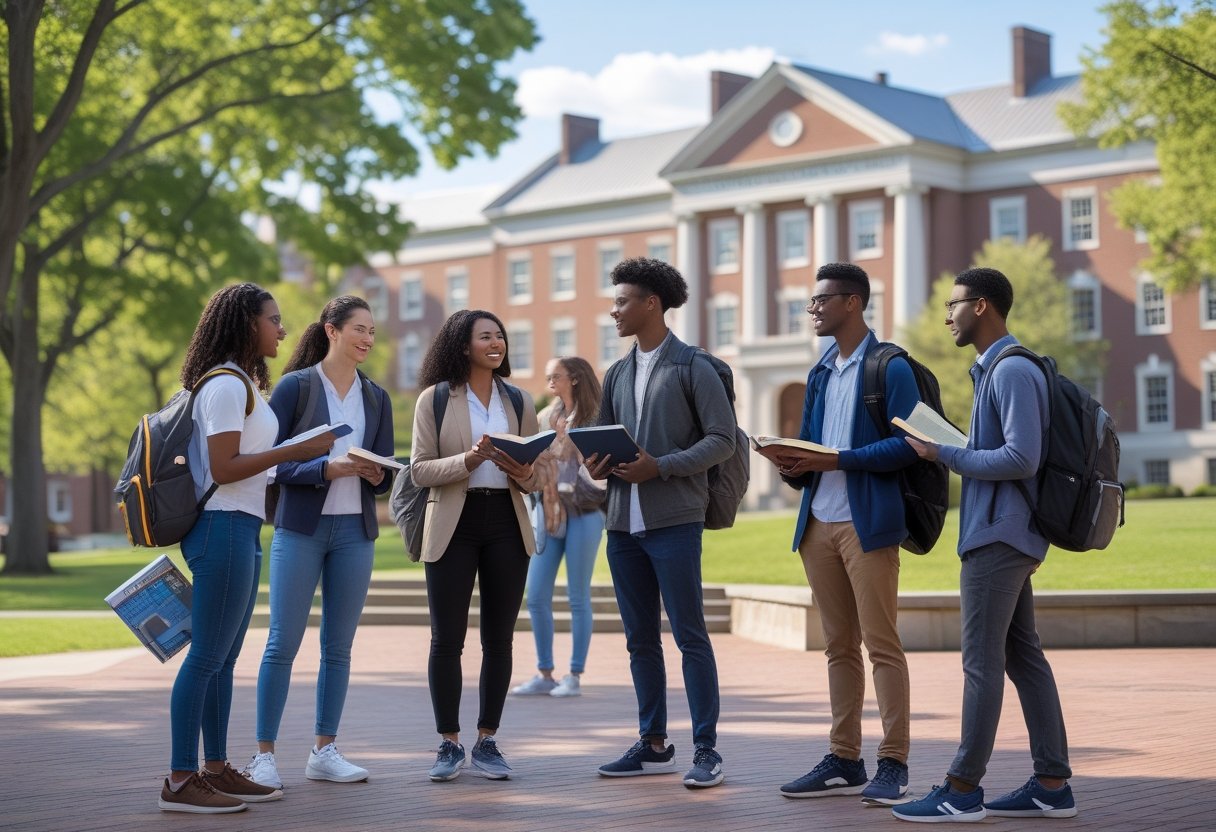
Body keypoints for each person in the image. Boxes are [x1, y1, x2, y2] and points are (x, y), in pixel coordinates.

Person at [894, 267, 1076, 823]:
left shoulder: (1012, 370)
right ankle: (1051, 784)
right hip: (1004, 532)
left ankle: (962, 788)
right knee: (1023, 657)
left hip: (1000, 535)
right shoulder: (995, 370)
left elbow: (1022, 457)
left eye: (955, 305)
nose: (947, 315)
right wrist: (957, 445)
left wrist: (941, 454)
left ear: (984, 307)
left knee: (980, 663)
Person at [159, 283, 337, 814]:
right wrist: (296, 448)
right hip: (221, 527)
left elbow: (249, 463)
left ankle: (214, 768)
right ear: (245, 324)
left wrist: (306, 457)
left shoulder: (244, 384)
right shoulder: (224, 386)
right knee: (207, 658)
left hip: (243, 524)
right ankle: (179, 779)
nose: (282, 329)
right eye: (273, 319)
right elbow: (224, 467)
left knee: (224, 658)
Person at [756, 262, 920, 804]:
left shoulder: (890, 366)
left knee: (882, 645)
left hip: (867, 526)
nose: (813, 310)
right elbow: (810, 443)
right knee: (837, 648)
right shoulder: (821, 372)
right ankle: (844, 757)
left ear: (852, 302)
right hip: (817, 526)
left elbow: (911, 444)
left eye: (821, 300)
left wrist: (838, 460)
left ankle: (893, 761)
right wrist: (790, 461)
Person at [586, 257, 735, 790]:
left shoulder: (694, 366)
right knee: (639, 640)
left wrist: (662, 466)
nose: (614, 310)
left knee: (690, 635)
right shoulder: (617, 372)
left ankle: (706, 749)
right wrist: (597, 461)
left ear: (652, 304)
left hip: (675, 521)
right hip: (622, 524)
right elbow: (606, 434)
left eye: (623, 301)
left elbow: (723, 438)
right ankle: (653, 745)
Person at [243, 296, 395, 789]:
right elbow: (270, 462)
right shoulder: (296, 387)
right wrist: (327, 468)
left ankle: (324, 751)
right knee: (281, 643)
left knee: (338, 648)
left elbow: (387, 477)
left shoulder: (377, 397)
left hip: (355, 532)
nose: (367, 339)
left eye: (372, 332)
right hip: (300, 530)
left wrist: (376, 473)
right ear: (331, 330)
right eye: (359, 329)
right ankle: (264, 755)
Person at [409, 309, 541, 782]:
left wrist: (523, 471)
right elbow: (420, 469)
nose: (496, 342)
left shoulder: (520, 400)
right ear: (462, 346)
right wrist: (468, 459)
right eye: (485, 336)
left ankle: (487, 739)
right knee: (447, 638)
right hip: (453, 522)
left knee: (499, 639)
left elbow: (538, 474)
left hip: (507, 521)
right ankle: (448, 743)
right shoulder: (437, 399)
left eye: (500, 336)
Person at [512, 356, 606, 699]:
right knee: (535, 595)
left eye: (557, 375)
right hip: (548, 513)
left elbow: (602, 469)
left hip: (585, 512)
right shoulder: (544, 418)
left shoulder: (595, 418)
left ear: (576, 379)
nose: (550, 379)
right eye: (548, 374)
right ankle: (545, 673)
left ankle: (575, 675)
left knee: (577, 596)